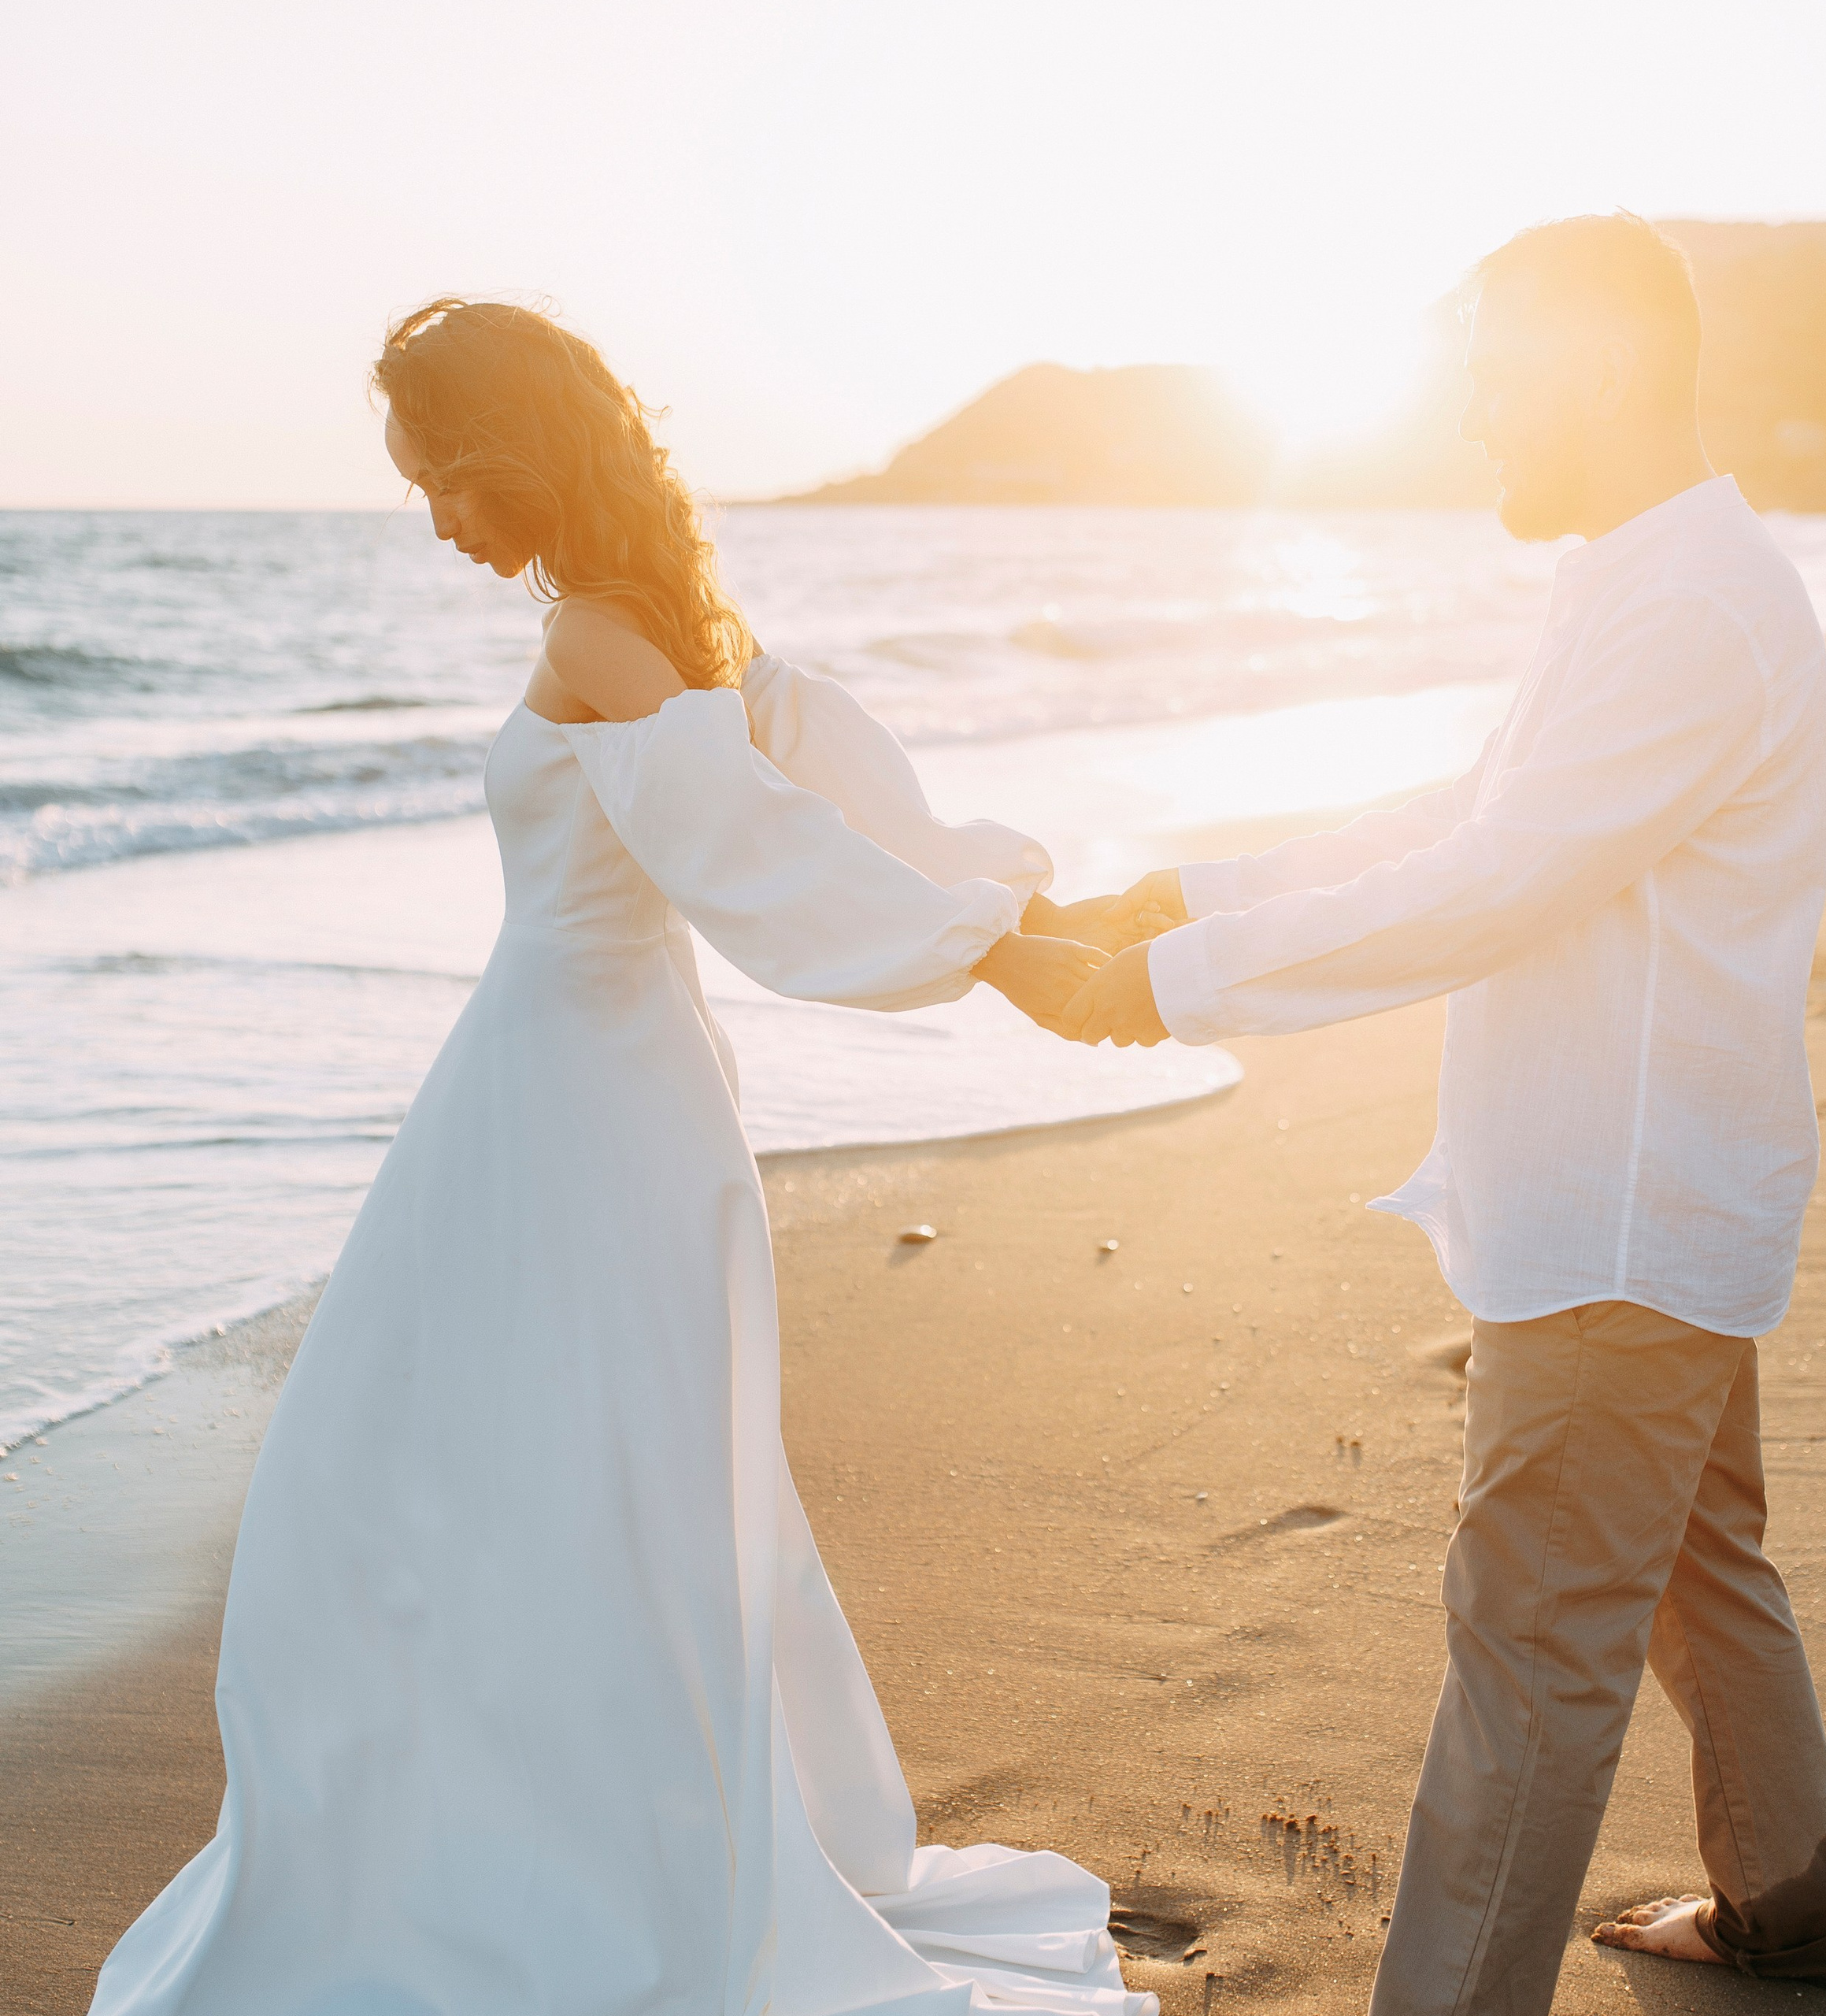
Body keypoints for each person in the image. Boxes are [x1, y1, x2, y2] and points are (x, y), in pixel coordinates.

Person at [89, 298, 1154, 2016]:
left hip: (574, 1104)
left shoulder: (599, 632)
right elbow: (804, 802)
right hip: (571, 1089)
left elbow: (753, 841)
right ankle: (561, 1837)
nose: (437, 517)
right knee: (546, 1475)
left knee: (485, 1483)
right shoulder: (666, 626)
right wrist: (998, 916)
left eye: (444, 477)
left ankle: (557, 1864)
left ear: (515, 454)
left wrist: (998, 946)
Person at [1062, 214, 1826, 2010]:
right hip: (1651, 1201)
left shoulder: (1686, 605)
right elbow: (1479, 811)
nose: (1475, 417)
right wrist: (1196, 893)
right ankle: (1791, 1906)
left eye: (1498, 375)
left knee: (1528, 1655)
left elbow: (1494, 882)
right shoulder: (1647, 576)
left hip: (1616, 1226)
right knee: (1689, 1560)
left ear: (1601, 366)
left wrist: (1175, 984)